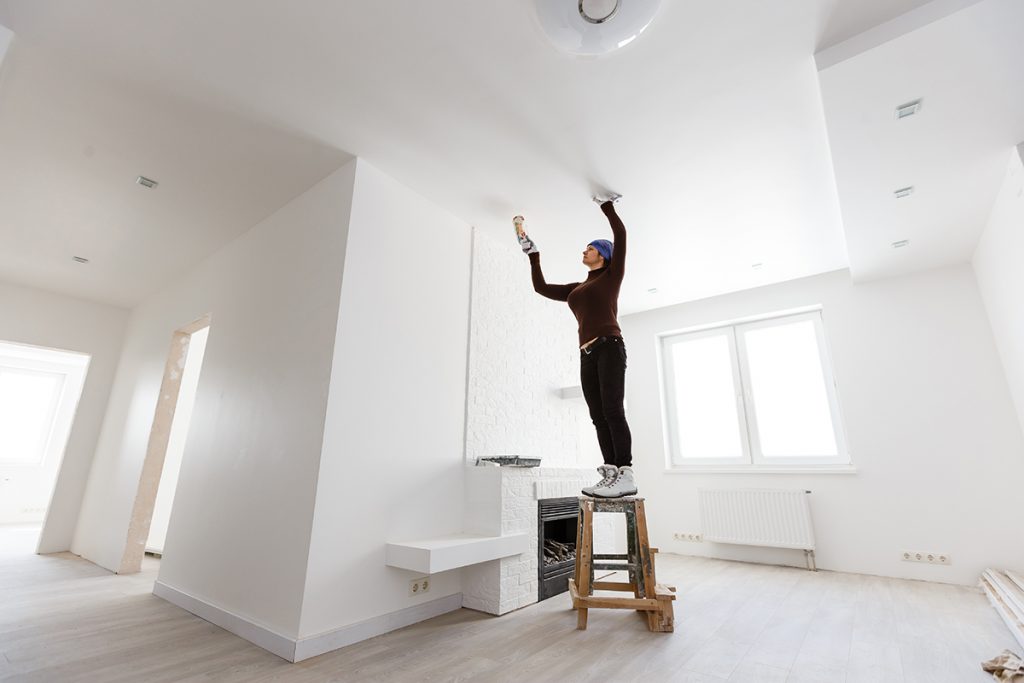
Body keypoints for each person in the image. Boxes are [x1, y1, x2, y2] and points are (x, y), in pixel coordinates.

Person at [514, 195, 636, 498]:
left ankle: (626, 472)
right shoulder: (576, 289)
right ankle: (611, 472)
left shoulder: (611, 276)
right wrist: (534, 255)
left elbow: (620, 235)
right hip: (587, 353)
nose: (584, 250)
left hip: (610, 346)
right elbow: (541, 287)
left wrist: (606, 206)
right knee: (597, 414)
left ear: (604, 255)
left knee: (612, 410)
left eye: (590, 247)